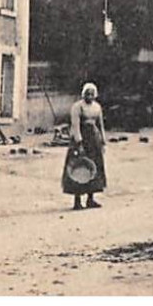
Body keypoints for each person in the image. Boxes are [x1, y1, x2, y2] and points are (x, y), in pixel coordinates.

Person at [62, 82, 107, 210]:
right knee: (79, 168)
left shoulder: (97, 107)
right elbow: (75, 125)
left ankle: (90, 199)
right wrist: (79, 142)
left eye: (92, 94)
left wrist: (103, 141)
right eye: (87, 93)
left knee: (94, 167)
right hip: (82, 139)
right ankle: (77, 201)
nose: (90, 96)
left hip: (94, 140)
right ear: (83, 94)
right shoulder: (78, 107)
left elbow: (100, 125)